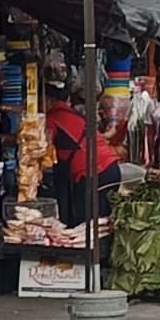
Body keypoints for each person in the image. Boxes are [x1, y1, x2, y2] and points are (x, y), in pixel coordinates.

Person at [44, 83, 121, 226]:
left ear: (49, 100)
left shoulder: (52, 118)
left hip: (94, 171)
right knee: (102, 222)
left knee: (87, 224)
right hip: (111, 168)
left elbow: (42, 144)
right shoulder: (72, 113)